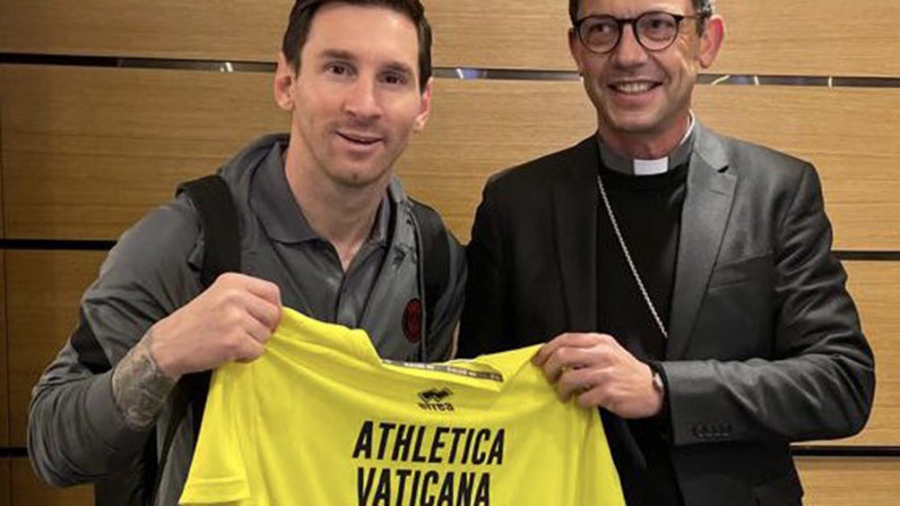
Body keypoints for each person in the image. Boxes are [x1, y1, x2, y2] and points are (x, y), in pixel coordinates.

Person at [28, 1, 465, 504]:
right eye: (338, 69)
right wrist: (162, 355)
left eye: (392, 78)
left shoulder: (435, 257)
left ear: (423, 104)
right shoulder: (184, 242)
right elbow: (51, 447)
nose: (364, 104)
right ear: (286, 82)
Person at [459, 0, 875, 504]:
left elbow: (841, 384)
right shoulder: (514, 204)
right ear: (577, 50)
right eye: (602, 29)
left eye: (658, 26)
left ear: (707, 41)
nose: (628, 55)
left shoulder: (777, 191)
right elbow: (479, 398)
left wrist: (663, 389)